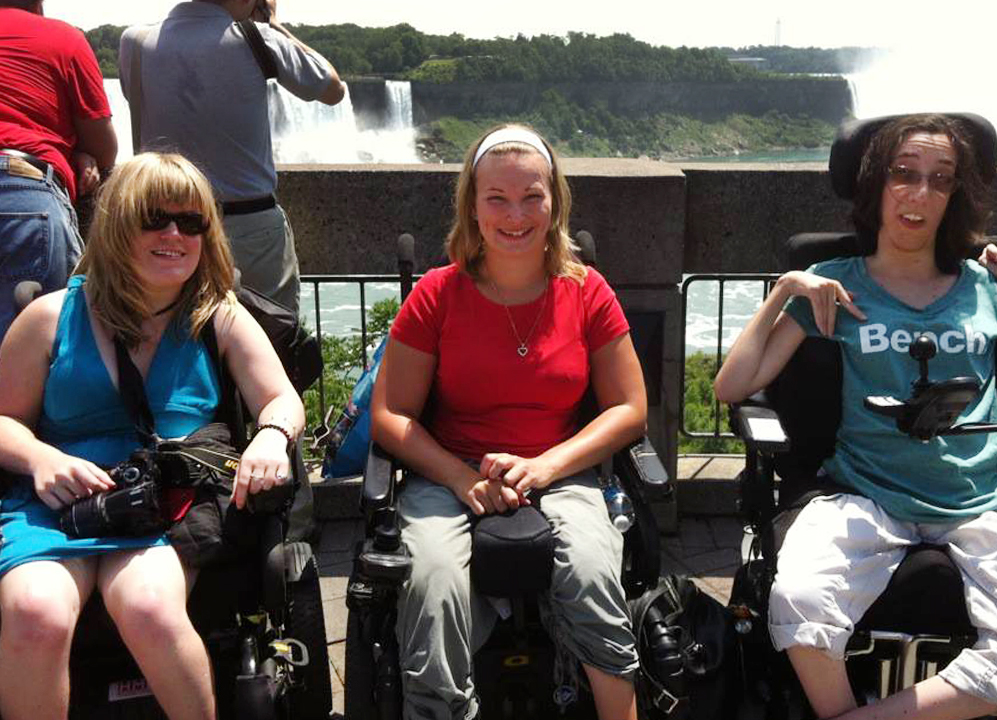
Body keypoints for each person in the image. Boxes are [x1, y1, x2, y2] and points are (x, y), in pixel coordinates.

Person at [714, 113, 997, 720]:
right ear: (874, 185)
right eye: (904, 174)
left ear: (955, 195)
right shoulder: (834, 283)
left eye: (940, 180)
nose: (919, 194)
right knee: (800, 608)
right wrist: (783, 292)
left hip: (984, 500)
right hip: (864, 494)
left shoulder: (990, 287)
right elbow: (734, 384)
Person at [0, 152, 306, 720]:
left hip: (165, 500)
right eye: (155, 219)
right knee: (35, 613)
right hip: (59, 502)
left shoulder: (217, 315)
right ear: (119, 223)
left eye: (191, 223)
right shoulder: (48, 317)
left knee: (148, 608)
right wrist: (41, 457)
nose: (174, 235)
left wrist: (270, 437)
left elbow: (280, 398)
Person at [370, 124, 647, 720]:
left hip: (559, 468)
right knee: (434, 581)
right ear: (472, 205)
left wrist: (545, 466)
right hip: (453, 472)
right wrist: (457, 477)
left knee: (594, 570)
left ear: (555, 202)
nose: (515, 214)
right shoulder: (438, 295)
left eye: (532, 197)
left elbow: (630, 408)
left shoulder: (586, 292)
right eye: (497, 198)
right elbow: (390, 416)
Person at [119, 0, 347, 312]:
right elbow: (333, 89)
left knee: (172, 337)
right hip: (251, 227)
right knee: (268, 338)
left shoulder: (135, 43)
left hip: (163, 227)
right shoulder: (259, 38)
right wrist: (274, 24)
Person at [0, 0, 118, 339]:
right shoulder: (63, 39)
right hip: (23, 196)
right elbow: (105, 149)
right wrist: (76, 152)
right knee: (36, 355)